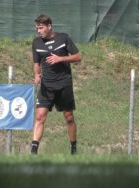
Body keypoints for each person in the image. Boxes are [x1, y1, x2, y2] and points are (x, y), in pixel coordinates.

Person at [30, 14, 82, 155]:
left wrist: (61, 58)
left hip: (64, 84)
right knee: (40, 116)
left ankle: (73, 148)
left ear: (49, 26)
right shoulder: (36, 43)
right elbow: (36, 64)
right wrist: (36, 74)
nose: (38, 31)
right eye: (37, 28)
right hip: (47, 86)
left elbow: (78, 56)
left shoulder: (63, 38)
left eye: (41, 28)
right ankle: (33, 152)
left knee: (69, 117)